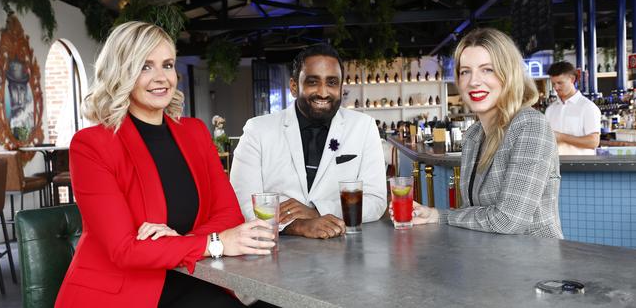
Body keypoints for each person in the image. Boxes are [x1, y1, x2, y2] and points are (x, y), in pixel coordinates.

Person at [55, 21, 275, 308]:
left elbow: (229, 216)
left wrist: (180, 240)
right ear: (122, 73)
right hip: (123, 294)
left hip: (193, 279)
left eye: (167, 65)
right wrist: (214, 243)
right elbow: (125, 250)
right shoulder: (92, 145)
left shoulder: (194, 132)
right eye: (145, 66)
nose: (162, 78)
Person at [393, 28, 563, 238]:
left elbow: (509, 220)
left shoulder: (530, 125)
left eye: (487, 69)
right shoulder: (474, 135)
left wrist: (442, 216)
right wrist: (433, 215)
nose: (473, 81)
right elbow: (473, 209)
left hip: (534, 263)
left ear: (509, 74)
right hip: (489, 260)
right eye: (465, 71)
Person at [230, 43, 387, 239]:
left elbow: (376, 201)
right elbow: (241, 203)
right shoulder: (258, 130)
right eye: (313, 82)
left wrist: (317, 212)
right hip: (275, 253)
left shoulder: (364, 127)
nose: (323, 92)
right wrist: (297, 225)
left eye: (331, 82)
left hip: (343, 253)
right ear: (294, 87)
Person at [545, 61, 601, 155]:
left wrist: (562, 137)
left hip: (580, 167)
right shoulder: (550, 110)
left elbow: (594, 142)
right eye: (553, 84)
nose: (556, 87)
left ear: (572, 79)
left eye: (560, 83)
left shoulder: (588, 107)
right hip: (554, 167)